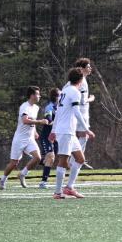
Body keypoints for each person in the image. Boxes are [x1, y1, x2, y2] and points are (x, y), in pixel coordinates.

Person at [51, 68, 93, 199]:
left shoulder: (64, 91)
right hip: (66, 131)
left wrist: (53, 130)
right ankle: (57, 193)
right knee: (63, 161)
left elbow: (58, 112)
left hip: (68, 132)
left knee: (80, 159)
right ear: (80, 80)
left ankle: (69, 188)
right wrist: (86, 128)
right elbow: (76, 111)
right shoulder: (75, 92)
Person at [0, 86, 50, 189]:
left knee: (38, 157)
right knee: (14, 163)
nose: (39, 96)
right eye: (37, 94)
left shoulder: (36, 107)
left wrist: (35, 131)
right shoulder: (24, 106)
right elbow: (25, 120)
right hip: (20, 139)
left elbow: (32, 122)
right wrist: (40, 121)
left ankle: (22, 174)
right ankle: (3, 179)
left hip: (30, 138)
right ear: (32, 95)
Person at [73, 58, 96, 167]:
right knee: (84, 136)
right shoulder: (82, 81)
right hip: (81, 114)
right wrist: (91, 98)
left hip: (80, 114)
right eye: (88, 67)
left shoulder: (82, 80)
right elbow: (82, 101)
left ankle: (77, 159)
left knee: (79, 137)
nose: (90, 68)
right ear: (81, 69)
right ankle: (78, 159)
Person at [36, 88, 59, 188]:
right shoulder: (49, 107)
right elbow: (48, 120)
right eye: (60, 95)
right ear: (56, 97)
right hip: (47, 137)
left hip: (56, 138)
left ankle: (40, 159)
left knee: (51, 158)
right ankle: (43, 182)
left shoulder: (61, 107)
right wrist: (56, 122)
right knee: (51, 157)